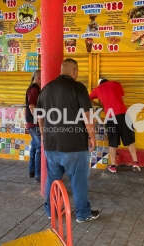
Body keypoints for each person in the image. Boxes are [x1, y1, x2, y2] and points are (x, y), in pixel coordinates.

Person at [37, 58, 100, 223]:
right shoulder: (77, 87)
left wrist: (44, 136)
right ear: (75, 71)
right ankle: (83, 214)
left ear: (61, 69)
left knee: (52, 179)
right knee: (78, 181)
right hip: (74, 146)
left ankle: (51, 211)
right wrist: (92, 137)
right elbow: (87, 115)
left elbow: (40, 116)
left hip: (51, 146)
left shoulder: (46, 89)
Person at [89, 78, 140, 173]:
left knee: (112, 142)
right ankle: (135, 162)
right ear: (107, 81)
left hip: (111, 117)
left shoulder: (97, 89)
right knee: (129, 140)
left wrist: (101, 105)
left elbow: (88, 99)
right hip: (124, 115)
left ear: (99, 84)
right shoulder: (117, 84)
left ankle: (112, 166)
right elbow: (122, 99)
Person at [25, 70, 41, 183]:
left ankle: (32, 171)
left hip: (31, 122)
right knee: (41, 148)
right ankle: (39, 174)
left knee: (35, 147)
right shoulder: (34, 89)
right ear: (39, 77)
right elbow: (32, 107)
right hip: (34, 123)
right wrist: (39, 121)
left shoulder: (34, 88)